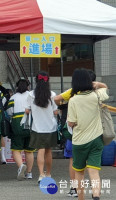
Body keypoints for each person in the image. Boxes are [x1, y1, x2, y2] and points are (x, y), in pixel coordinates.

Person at [67, 68, 108, 200]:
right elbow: (105, 88)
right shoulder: (96, 95)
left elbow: (71, 123)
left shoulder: (73, 100)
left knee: (79, 172)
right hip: (96, 139)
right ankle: (96, 195)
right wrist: (97, 84)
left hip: (79, 141)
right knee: (94, 171)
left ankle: (81, 198)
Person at [25, 71, 58, 184]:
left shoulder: (31, 95)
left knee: (40, 150)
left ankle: (41, 175)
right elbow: (56, 112)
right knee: (48, 152)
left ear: (36, 81)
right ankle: (48, 174)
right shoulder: (52, 95)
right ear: (47, 80)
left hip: (37, 127)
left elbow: (27, 110)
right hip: (50, 127)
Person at [6, 79, 34, 181]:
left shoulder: (13, 97)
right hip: (30, 124)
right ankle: (29, 173)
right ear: (28, 86)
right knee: (29, 151)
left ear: (17, 87)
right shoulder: (31, 95)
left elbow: (9, 112)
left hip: (17, 124)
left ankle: (21, 165)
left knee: (16, 149)